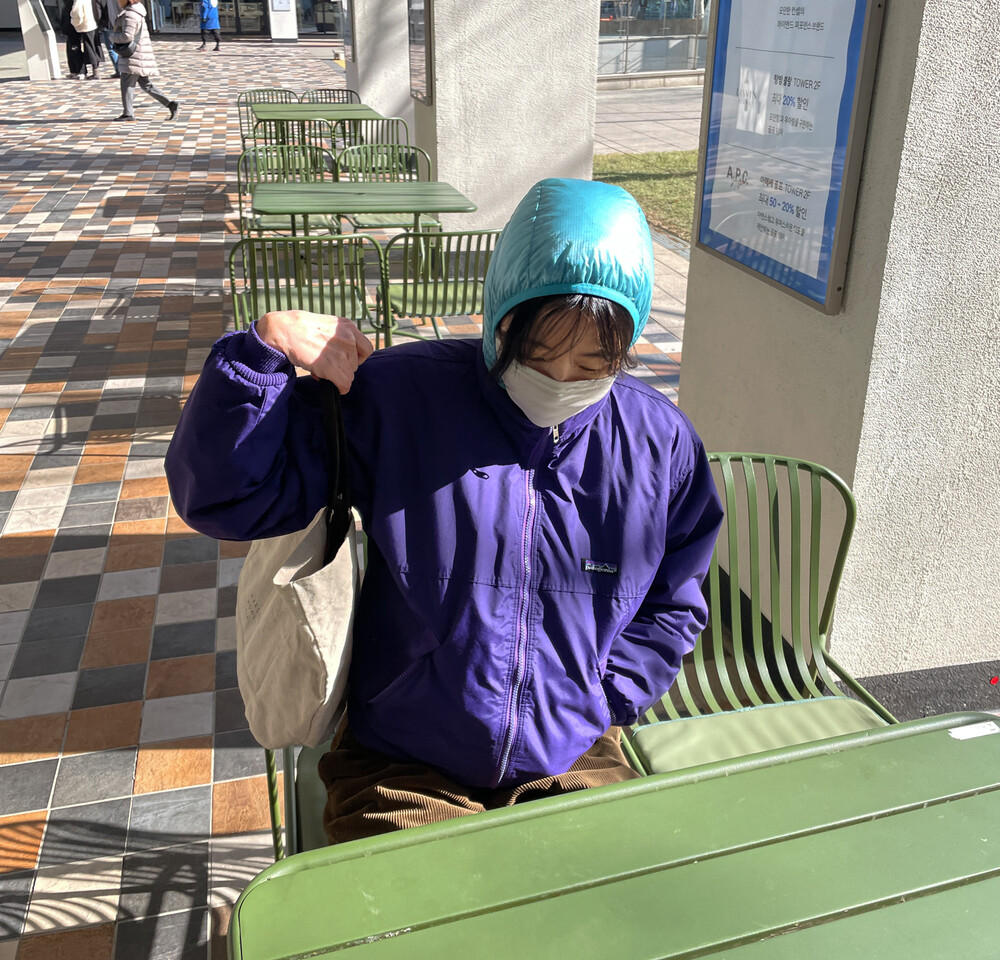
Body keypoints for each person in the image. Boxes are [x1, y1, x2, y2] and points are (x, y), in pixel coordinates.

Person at [165, 178, 723, 844]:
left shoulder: (659, 443)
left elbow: (675, 596)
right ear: (499, 316)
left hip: (571, 746)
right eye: (538, 353)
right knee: (409, 903)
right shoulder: (401, 397)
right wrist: (261, 357)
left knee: (606, 889)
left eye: (592, 361)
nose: (560, 379)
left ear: (624, 349)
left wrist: (610, 694)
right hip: (402, 755)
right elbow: (226, 499)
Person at [109, 0, 179, 123]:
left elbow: (127, 36)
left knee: (127, 84)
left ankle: (128, 113)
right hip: (138, 54)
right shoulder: (137, 11)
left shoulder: (130, 14)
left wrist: (112, 37)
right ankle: (170, 104)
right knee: (146, 84)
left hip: (133, 56)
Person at [69, 0, 101, 78]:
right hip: (93, 24)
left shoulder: (78, 1)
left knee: (89, 48)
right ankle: (96, 70)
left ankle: (94, 72)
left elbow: (77, 13)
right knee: (93, 47)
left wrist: (74, 23)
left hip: (85, 25)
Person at [94, 0, 121, 78]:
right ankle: (125, 70)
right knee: (124, 46)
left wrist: (99, 25)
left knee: (112, 49)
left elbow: (98, 14)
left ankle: (119, 71)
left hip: (108, 25)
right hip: (121, 22)